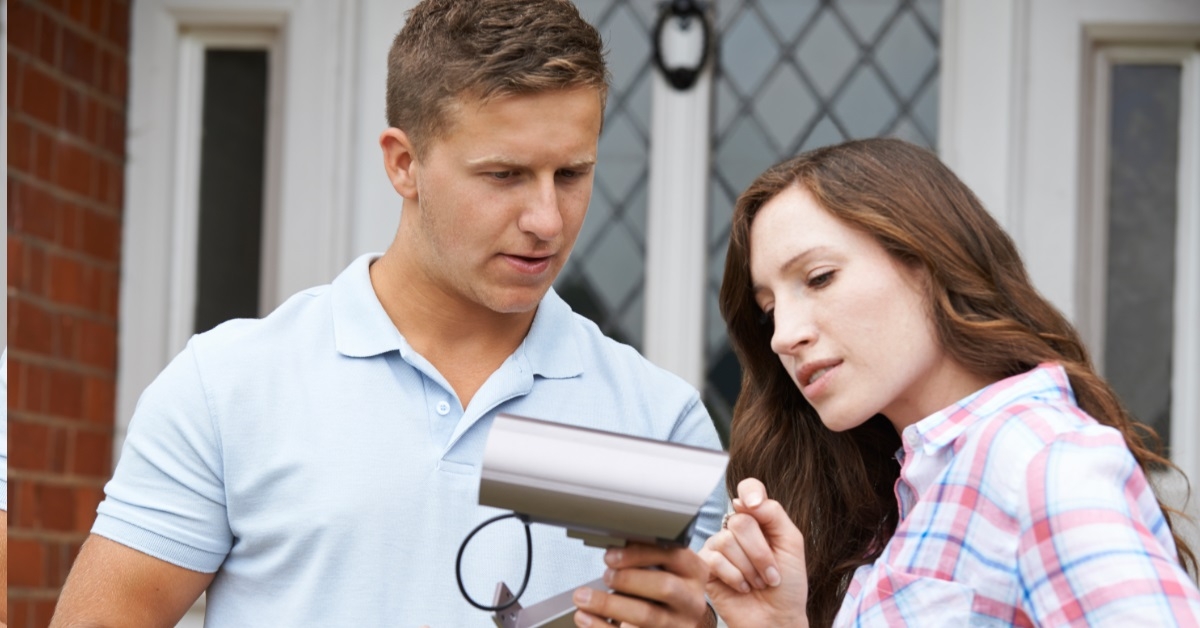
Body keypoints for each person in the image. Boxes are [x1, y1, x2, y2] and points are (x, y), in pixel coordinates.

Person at [50, 1, 723, 625]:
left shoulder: (657, 422)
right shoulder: (233, 387)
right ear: (405, 165)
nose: (547, 219)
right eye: (505, 175)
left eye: (571, 175)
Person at [696, 138, 1200, 626]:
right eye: (769, 311)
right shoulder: (910, 496)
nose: (784, 335)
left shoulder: (1042, 465)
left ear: (928, 259)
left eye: (820, 277)